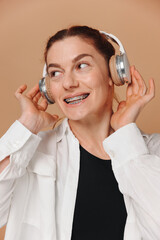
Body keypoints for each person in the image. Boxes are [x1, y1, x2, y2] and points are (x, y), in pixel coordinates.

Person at [0, 25, 159, 240]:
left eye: (82, 65)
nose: (68, 83)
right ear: (48, 89)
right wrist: (26, 125)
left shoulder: (152, 153)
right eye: (56, 73)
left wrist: (126, 136)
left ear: (114, 73)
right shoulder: (30, 154)